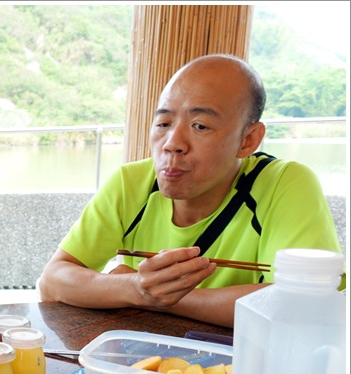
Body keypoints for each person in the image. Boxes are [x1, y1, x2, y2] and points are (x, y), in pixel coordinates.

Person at [38, 54, 342, 327]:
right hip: (145, 359)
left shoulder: (283, 183)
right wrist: (134, 287)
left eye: (200, 126)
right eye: (163, 123)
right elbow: (52, 281)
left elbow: (304, 304)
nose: (172, 143)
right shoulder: (131, 183)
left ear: (248, 140)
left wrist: (152, 296)